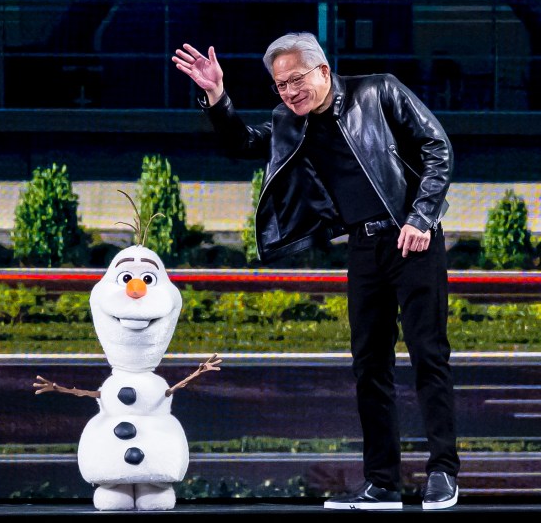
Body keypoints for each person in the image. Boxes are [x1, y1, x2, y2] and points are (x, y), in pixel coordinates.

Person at [171, 33, 459, 511]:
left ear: (323, 70)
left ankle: (443, 472)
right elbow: (243, 143)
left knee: (429, 356)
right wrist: (217, 96)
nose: (289, 92)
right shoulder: (291, 122)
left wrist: (422, 217)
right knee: (370, 366)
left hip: (413, 238)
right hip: (363, 246)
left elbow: (437, 147)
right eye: (280, 85)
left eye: (296, 80)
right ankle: (382, 483)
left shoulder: (378, 91)